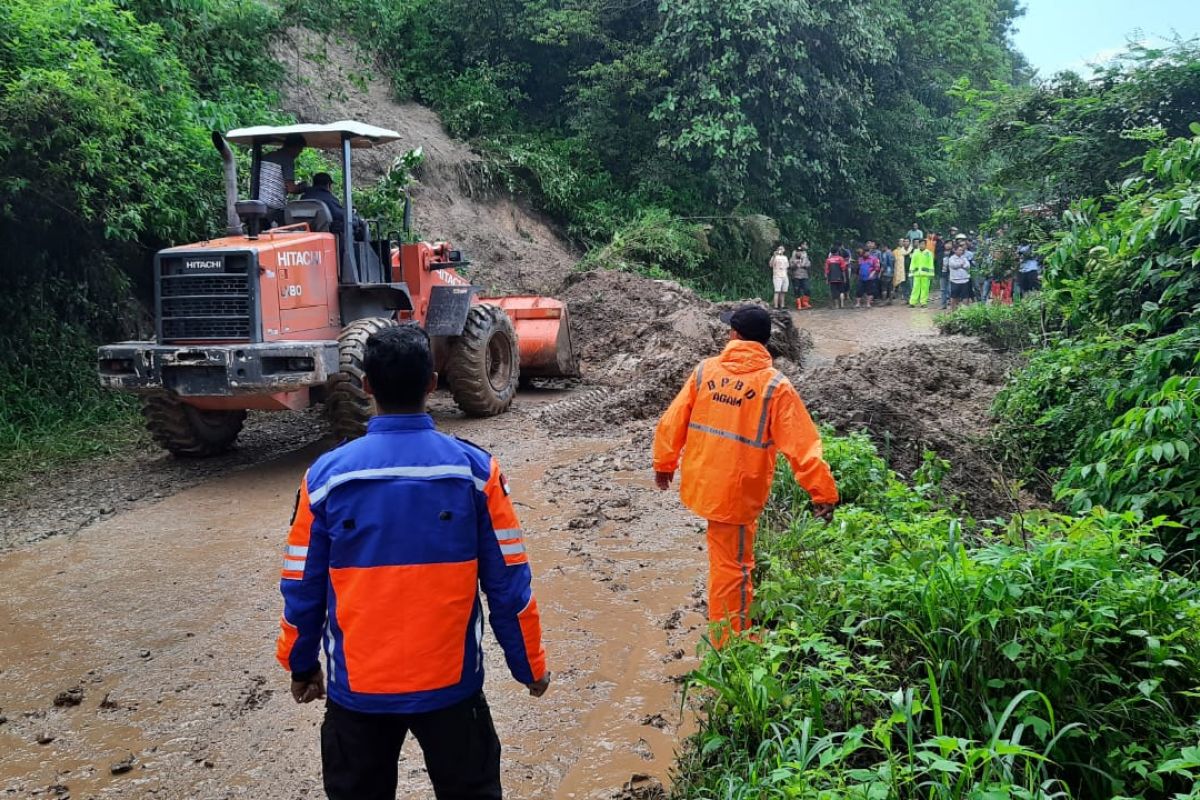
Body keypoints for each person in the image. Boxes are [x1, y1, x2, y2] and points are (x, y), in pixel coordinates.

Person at [276, 324, 550, 800]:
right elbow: (509, 584)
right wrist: (529, 666)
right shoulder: (475, 472)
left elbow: (301, 587)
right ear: (432, 382)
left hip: (358, 695)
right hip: (452, 691)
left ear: (365, 386)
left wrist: (302, 667)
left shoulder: (324, 479)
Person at [652, 306, 838, 647]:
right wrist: (822, 493)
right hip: (737, 494)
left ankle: (729, 634)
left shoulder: (705, 371)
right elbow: (802, 446)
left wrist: (664, 464)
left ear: (735, 335)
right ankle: (730, 646)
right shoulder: (775, 386)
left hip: (704, 484)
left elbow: (672, 421)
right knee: (733, 569)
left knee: (724, 559)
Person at [256, 134, 307, 222]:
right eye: (300, 150)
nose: (298, 154)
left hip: (259, 205)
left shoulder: (267, 156)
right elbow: (291, 188)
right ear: (294, 147)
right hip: (274, 208)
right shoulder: (287, 159)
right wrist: (303, 187)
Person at [947, 242, 972, 311]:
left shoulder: (964, 258)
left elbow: (967, 266)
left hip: (965, 280)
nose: (961, 251)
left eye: (962, 250)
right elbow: (954, 265)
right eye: (959, 250)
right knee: (954, 297)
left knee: (965, 297)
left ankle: (965, 311)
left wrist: (960, 265)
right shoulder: (951, 258)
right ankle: (953, 310)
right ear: (955, 250)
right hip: (955, 280)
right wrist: (961, 264)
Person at [909, 239, 934, 307]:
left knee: (925, 289)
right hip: (917, 273)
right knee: (915, 288)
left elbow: (931, 264)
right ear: (918, 245)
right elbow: (912, 263)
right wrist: (911, 272)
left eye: (923, 244)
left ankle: (923, 302)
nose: (922, 245)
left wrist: (931, 274)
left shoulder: (929, 253)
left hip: (925, 274)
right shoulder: (915, 252)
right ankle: (912, 302)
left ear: (925, 245)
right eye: (920, 244)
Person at [790, 244, 811, 309]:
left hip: (804, 276)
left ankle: (805, 302)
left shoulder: (805, 257)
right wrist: (795, 264)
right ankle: (799, 304)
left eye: (800, 251)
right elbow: (790, 266)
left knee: (807, 289)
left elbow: (809, 264)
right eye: (798, 251)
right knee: (797, 290)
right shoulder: (792, 259)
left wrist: (804, 264)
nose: (799, 253)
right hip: (796, 276)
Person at [892, 237, 911, 302]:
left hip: (910, 270)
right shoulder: (897, 251)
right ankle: (906, 299)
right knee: (904, 285)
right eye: (903, 241)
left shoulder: (912, 250)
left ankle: (911, 298)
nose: (904, 243)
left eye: (905, 241)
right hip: (901, 271)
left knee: (910, 285)